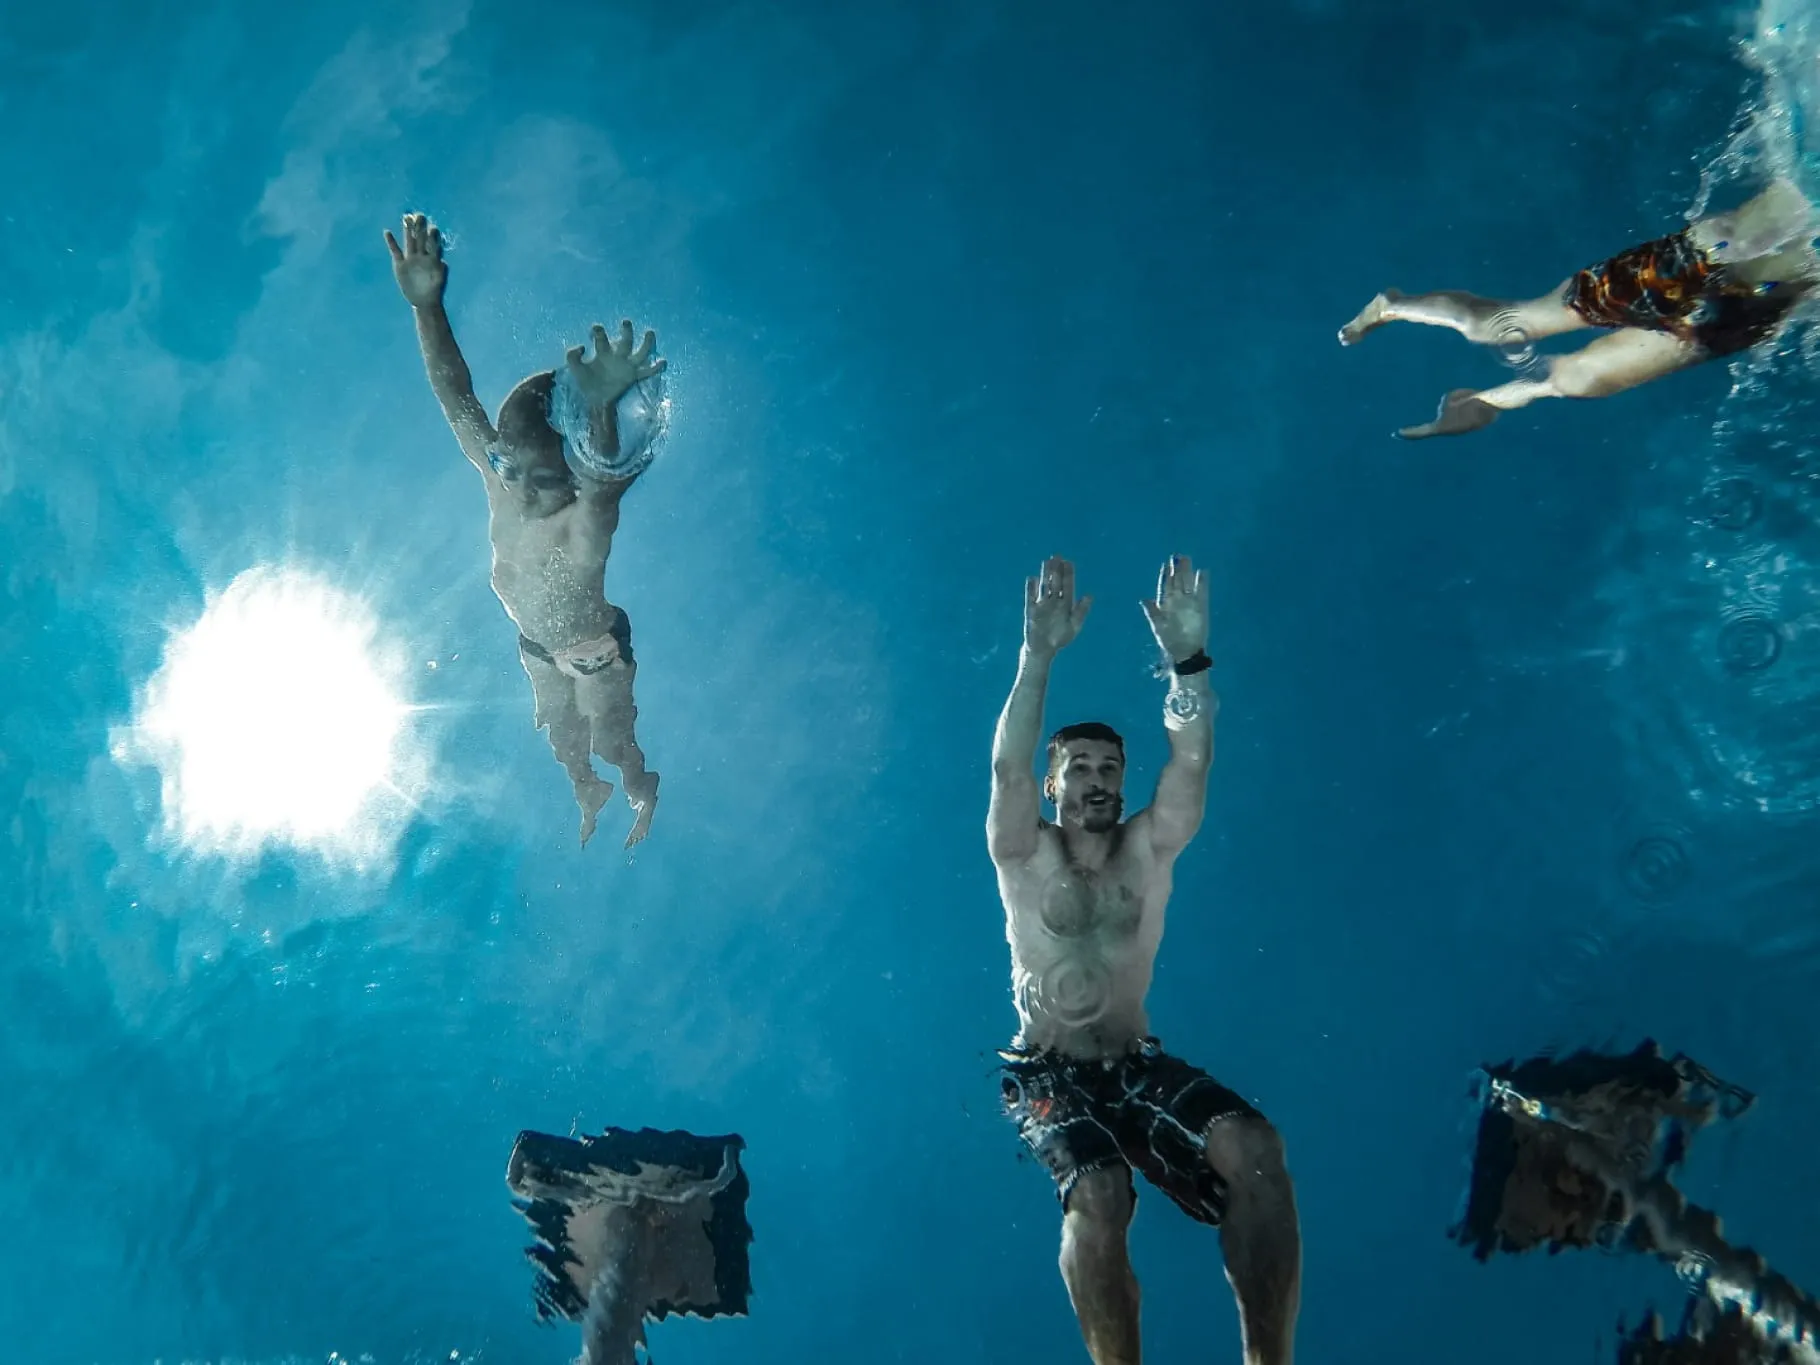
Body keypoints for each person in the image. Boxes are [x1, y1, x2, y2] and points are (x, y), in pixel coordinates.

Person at [987, 554, 1302, 1365]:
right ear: (1054, 783)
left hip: (1135, 1063)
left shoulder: (1146, 849)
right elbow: (1003, 766)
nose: (1098, 780)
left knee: (1255, 1149)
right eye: (1080, 768)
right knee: (1098, 1193)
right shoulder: (1023, 852)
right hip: (1048, 1072)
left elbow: (1191, 762)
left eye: (1111, 768)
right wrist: (1037, 655)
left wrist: (1189, 662)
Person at [386, 212, 663, 847]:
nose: (518, 486)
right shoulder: (502, 479)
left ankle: (639, 785)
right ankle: (586, 790)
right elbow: (457, 397)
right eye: (508, 466)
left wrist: (600, 409)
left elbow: (605, 482)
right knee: (562, 737)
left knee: (610, 736)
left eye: (541, 479)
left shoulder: (579, 523)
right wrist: (427, 307)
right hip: (536, 647)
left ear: (568, 477)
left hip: (596, 649)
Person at [1338, 178, 1819, 438]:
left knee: (1581, 379)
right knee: (1501, 326)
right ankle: (1393, 306)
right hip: (1694, 268)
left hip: (1738, 314)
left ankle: (1484, 402)